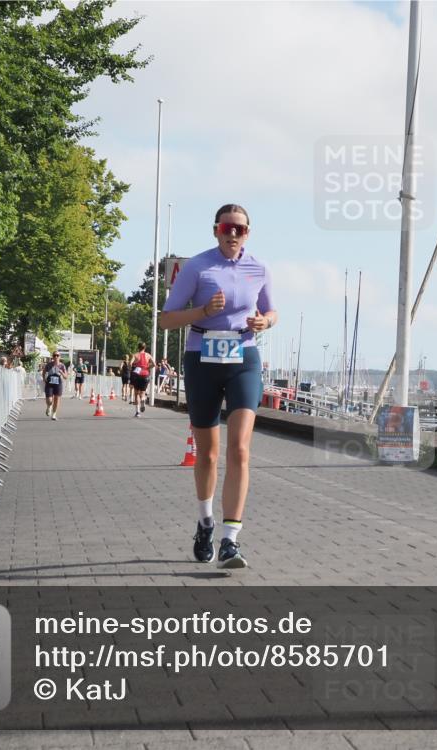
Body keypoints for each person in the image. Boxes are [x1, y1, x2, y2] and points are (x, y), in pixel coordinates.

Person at [159, 203, 276, 570]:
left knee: (240, 450)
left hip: (243, 357)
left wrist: (265, 322)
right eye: (227, 228)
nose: (233, 234)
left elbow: (272, 311)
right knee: (208, 455)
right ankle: (205, 522)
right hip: (202, 358)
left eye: (240, 229)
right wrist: (203, 312)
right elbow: (166, 320)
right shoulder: (198, 266)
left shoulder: (259, 268)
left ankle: (230, 540)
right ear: (216, 230)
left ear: (248, 233)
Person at [129, 342, 154, 417]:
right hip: (145, 375)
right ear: (145, 348)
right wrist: (147, 368)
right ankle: (143, 399)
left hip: (137, 375)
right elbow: (154, 364)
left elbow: (130, 363)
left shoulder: (135, 355)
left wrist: (131, 370)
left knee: (136, 393)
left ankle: (137, 412)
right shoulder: (148, 355)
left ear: (138, 347)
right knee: (143, 393)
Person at [42, 351, 68, 421]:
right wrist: (44, 379)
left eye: (57, 355)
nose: (56, 357)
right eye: (54, 355)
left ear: (60, 357)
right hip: (49, 383)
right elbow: (44, 372)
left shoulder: (62, 366)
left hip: (58, 383)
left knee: (57, 399)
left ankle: (54, 414)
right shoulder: (49, 365)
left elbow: (66, 377)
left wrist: (61, 372)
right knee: (49, 400)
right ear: (52, 357)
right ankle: (49, 406)